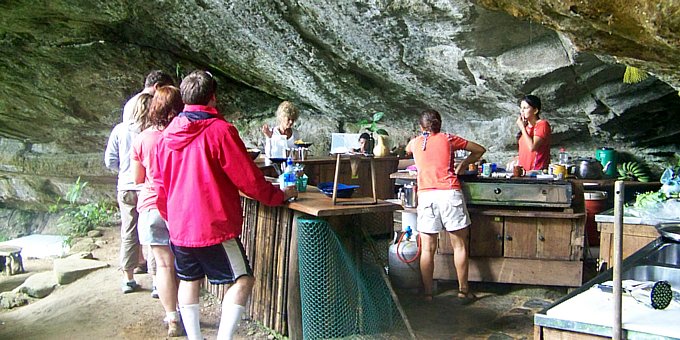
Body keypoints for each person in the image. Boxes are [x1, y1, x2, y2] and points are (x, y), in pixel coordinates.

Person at [152, 70, 298, 340]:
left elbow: (160, 184)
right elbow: (249, 180)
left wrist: (170, 217)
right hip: (212, 226)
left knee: (188, 280)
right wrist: (279, 195)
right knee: (243, 280)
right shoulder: (220, 131)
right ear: (214, 98)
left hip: (180, 227)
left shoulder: (167, 134)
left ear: (184, 98)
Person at [405, 109, 486, 303]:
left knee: (427, 249)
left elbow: (408, 149)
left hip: (426, 196)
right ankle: (463, 291)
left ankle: (428, 294)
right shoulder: (448, 138)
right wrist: (463, 165)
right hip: (449, 193)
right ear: (440, 124)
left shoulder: (415, 142)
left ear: (421, 126)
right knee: (459, 246)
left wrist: (420, 139)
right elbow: (479, 149)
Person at [130, 85, 183, 337]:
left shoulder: (142, 138)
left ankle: (172, 319)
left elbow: (137, 178)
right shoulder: (182, 134)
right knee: (184, 265)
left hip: (152, 205)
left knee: (163, 266)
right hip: (180, 207)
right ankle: (186, 311)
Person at [105, 93, 154, 294]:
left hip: (126, 187)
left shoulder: (119, 129)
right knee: (152, 235)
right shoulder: (151, 131)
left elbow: (110, 161)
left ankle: (128, 278)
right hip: (148, 189)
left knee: (128, 232)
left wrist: (124, 172)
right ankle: (157, 281)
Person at [515, 95, 551, 170]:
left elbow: (532, 147)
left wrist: (522, 128)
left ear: (535, 110)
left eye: (525, 108)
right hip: (523, 172)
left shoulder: (542, 124)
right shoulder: (526, 127)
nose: (522, 111)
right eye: (521, 108)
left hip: (536, 172)